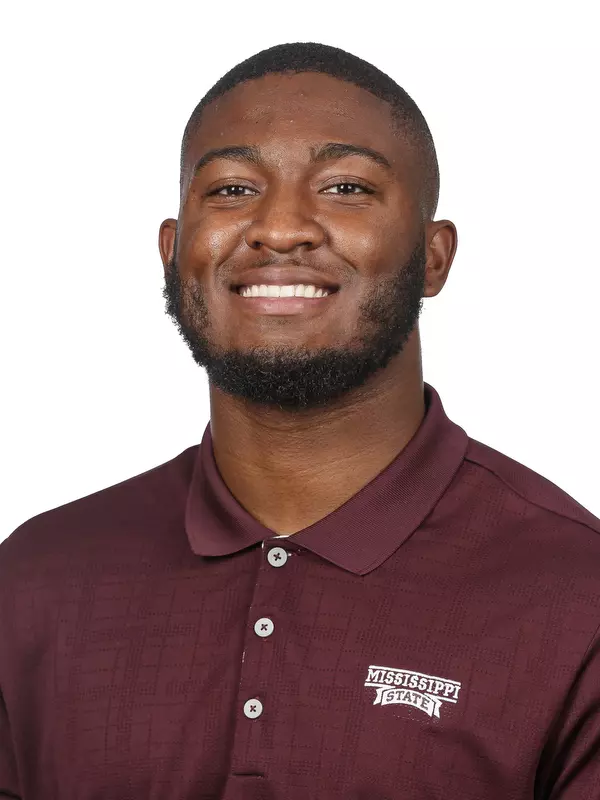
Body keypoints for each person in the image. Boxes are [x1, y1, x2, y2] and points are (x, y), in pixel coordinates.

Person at [1, 41, 599, 800]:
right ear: (173, 251)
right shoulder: (35, 580)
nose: (281, 228)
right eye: (231, 189)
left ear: (434, 257)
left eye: (346, 187)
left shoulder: (575, 596)